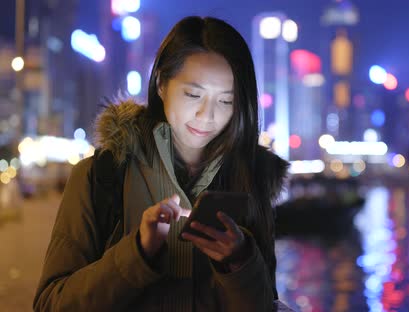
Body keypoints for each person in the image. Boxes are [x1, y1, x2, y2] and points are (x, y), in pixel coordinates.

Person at [34, 16, 290, 311]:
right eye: (193, 94)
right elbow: (50, 304)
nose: (207, 116)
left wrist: (240, 260)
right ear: (160, 84)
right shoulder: (100, 176)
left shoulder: (251, 182)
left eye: (225, 101)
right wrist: (138, 252)